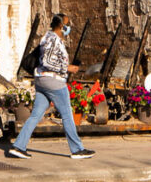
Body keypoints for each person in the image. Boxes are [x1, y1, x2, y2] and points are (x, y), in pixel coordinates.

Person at [8, 13, 96, 160]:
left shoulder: (48, 38)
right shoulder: (53, 40)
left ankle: (19, 146)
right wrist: (66, 68)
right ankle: (77, 149)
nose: (69, 27)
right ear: (61, 26)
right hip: (53, 81)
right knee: (67, 115)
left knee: (36, 115)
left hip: (42, 81)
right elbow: (47, 62)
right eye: (67, 24)